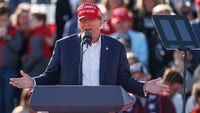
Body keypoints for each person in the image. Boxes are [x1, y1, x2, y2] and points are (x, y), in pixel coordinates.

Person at [10, 3, 169, 101]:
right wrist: (34, 82)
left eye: (91, 19)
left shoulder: (116, 47)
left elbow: (124, 79)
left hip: (106, 105)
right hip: (72, 106)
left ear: (101, 22)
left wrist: (144, 86)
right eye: (83, 20)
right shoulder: (64, 46)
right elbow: (51, 76)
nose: (86, 23)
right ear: (78, 23)